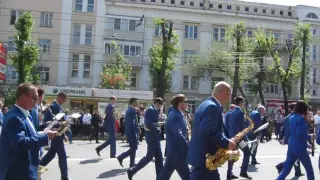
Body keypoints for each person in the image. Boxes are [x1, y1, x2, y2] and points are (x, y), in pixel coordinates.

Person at [0, 83, 56, 180]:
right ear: (22, 97)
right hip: (18, 173)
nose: (36, 101)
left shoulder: (27, 115)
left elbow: (29, 135)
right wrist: (45, 137)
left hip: (28, 170)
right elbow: (20, 143)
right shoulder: (14, 117)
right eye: (34, 98)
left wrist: (43, 132)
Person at [187, 81, 236, 180]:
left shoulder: (204, 104)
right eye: (228, 93)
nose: (229, 97)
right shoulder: (213, 107)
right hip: (206, 157)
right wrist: (226, 142)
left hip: (201, 156)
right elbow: (208, 130)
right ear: (221, 91)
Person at [127, 98, 164, 180]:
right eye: (161, 104)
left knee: (159, 159)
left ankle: (160, 177)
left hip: (154, 137)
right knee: (149, 157)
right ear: (157, 103)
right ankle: (132, 170)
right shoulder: (151, 110)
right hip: (152, 137)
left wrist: (160, 120)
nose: (161, 106)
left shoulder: (155, 110)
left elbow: (152, 121)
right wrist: (158, 125)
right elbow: (148, 124)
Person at [277, 100, 315, 180]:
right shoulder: (301, 120)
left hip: (291, 146)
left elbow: (294, 133)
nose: (307, 111)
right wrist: (309, 137)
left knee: (286, 170)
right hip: (300, 148)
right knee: (309, 170)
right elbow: (300, 135)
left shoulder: (291, 118)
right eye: (306, 109)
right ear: (303, 109)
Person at [39, 92, 71, 180]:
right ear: (60, 98)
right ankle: (64, 177)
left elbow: (61, 122)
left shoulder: (59, 107)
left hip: (58, 135)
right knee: (62, 155)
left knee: (51, 155)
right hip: (54, 135)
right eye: (64, 100)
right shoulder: (53, 107)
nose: (64, 102)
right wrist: (59, 127)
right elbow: (49, 122)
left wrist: (64, 134)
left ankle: (36, 169)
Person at [157, 94, 190, 180]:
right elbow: (178, 134)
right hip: (178, 152)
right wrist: (188, 147)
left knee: (164, 176)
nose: (187, 104)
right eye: (185, 102)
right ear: (180, 103)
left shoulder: (177, 114)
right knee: (188, 177)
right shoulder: (175, 115)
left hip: (173, 152)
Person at [275, 102, 302, 176]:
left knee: (295, 156)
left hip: (289, 139)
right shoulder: (297, 117)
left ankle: (298, 171)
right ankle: (281, 166)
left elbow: (283, 128)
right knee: (296, 156)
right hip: (295, 139)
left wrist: (281, 138)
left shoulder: (287, 117)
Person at [229, 96, 251, 179]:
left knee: (233, 156)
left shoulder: (233, 111)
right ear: (241, 102)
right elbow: (240, 127)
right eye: (244, 102)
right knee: (247, 152)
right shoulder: (240, 112)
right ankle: (243, 172)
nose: (244, 104)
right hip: (239, 138)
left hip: (234, 137)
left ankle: (229, 173)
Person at [117, 98, 140, 168]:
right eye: (137, 101)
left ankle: (132, 163)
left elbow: (134, 122)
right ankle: (121, 157)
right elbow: (131, 123)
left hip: (132, 131)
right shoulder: (131, 110)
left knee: (133, 148)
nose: (138, 103)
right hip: (131, 132)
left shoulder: (132, 110)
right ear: (133, 102)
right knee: (134, 148)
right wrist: (137, 129)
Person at [225, 104, 237, 180]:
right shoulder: (231, 114)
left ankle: (230, 173)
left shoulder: (227, 114)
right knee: (231, 158)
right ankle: (229, 175)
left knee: (232, 158)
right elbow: (232, 126)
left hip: (228, 137)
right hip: (232, 138)